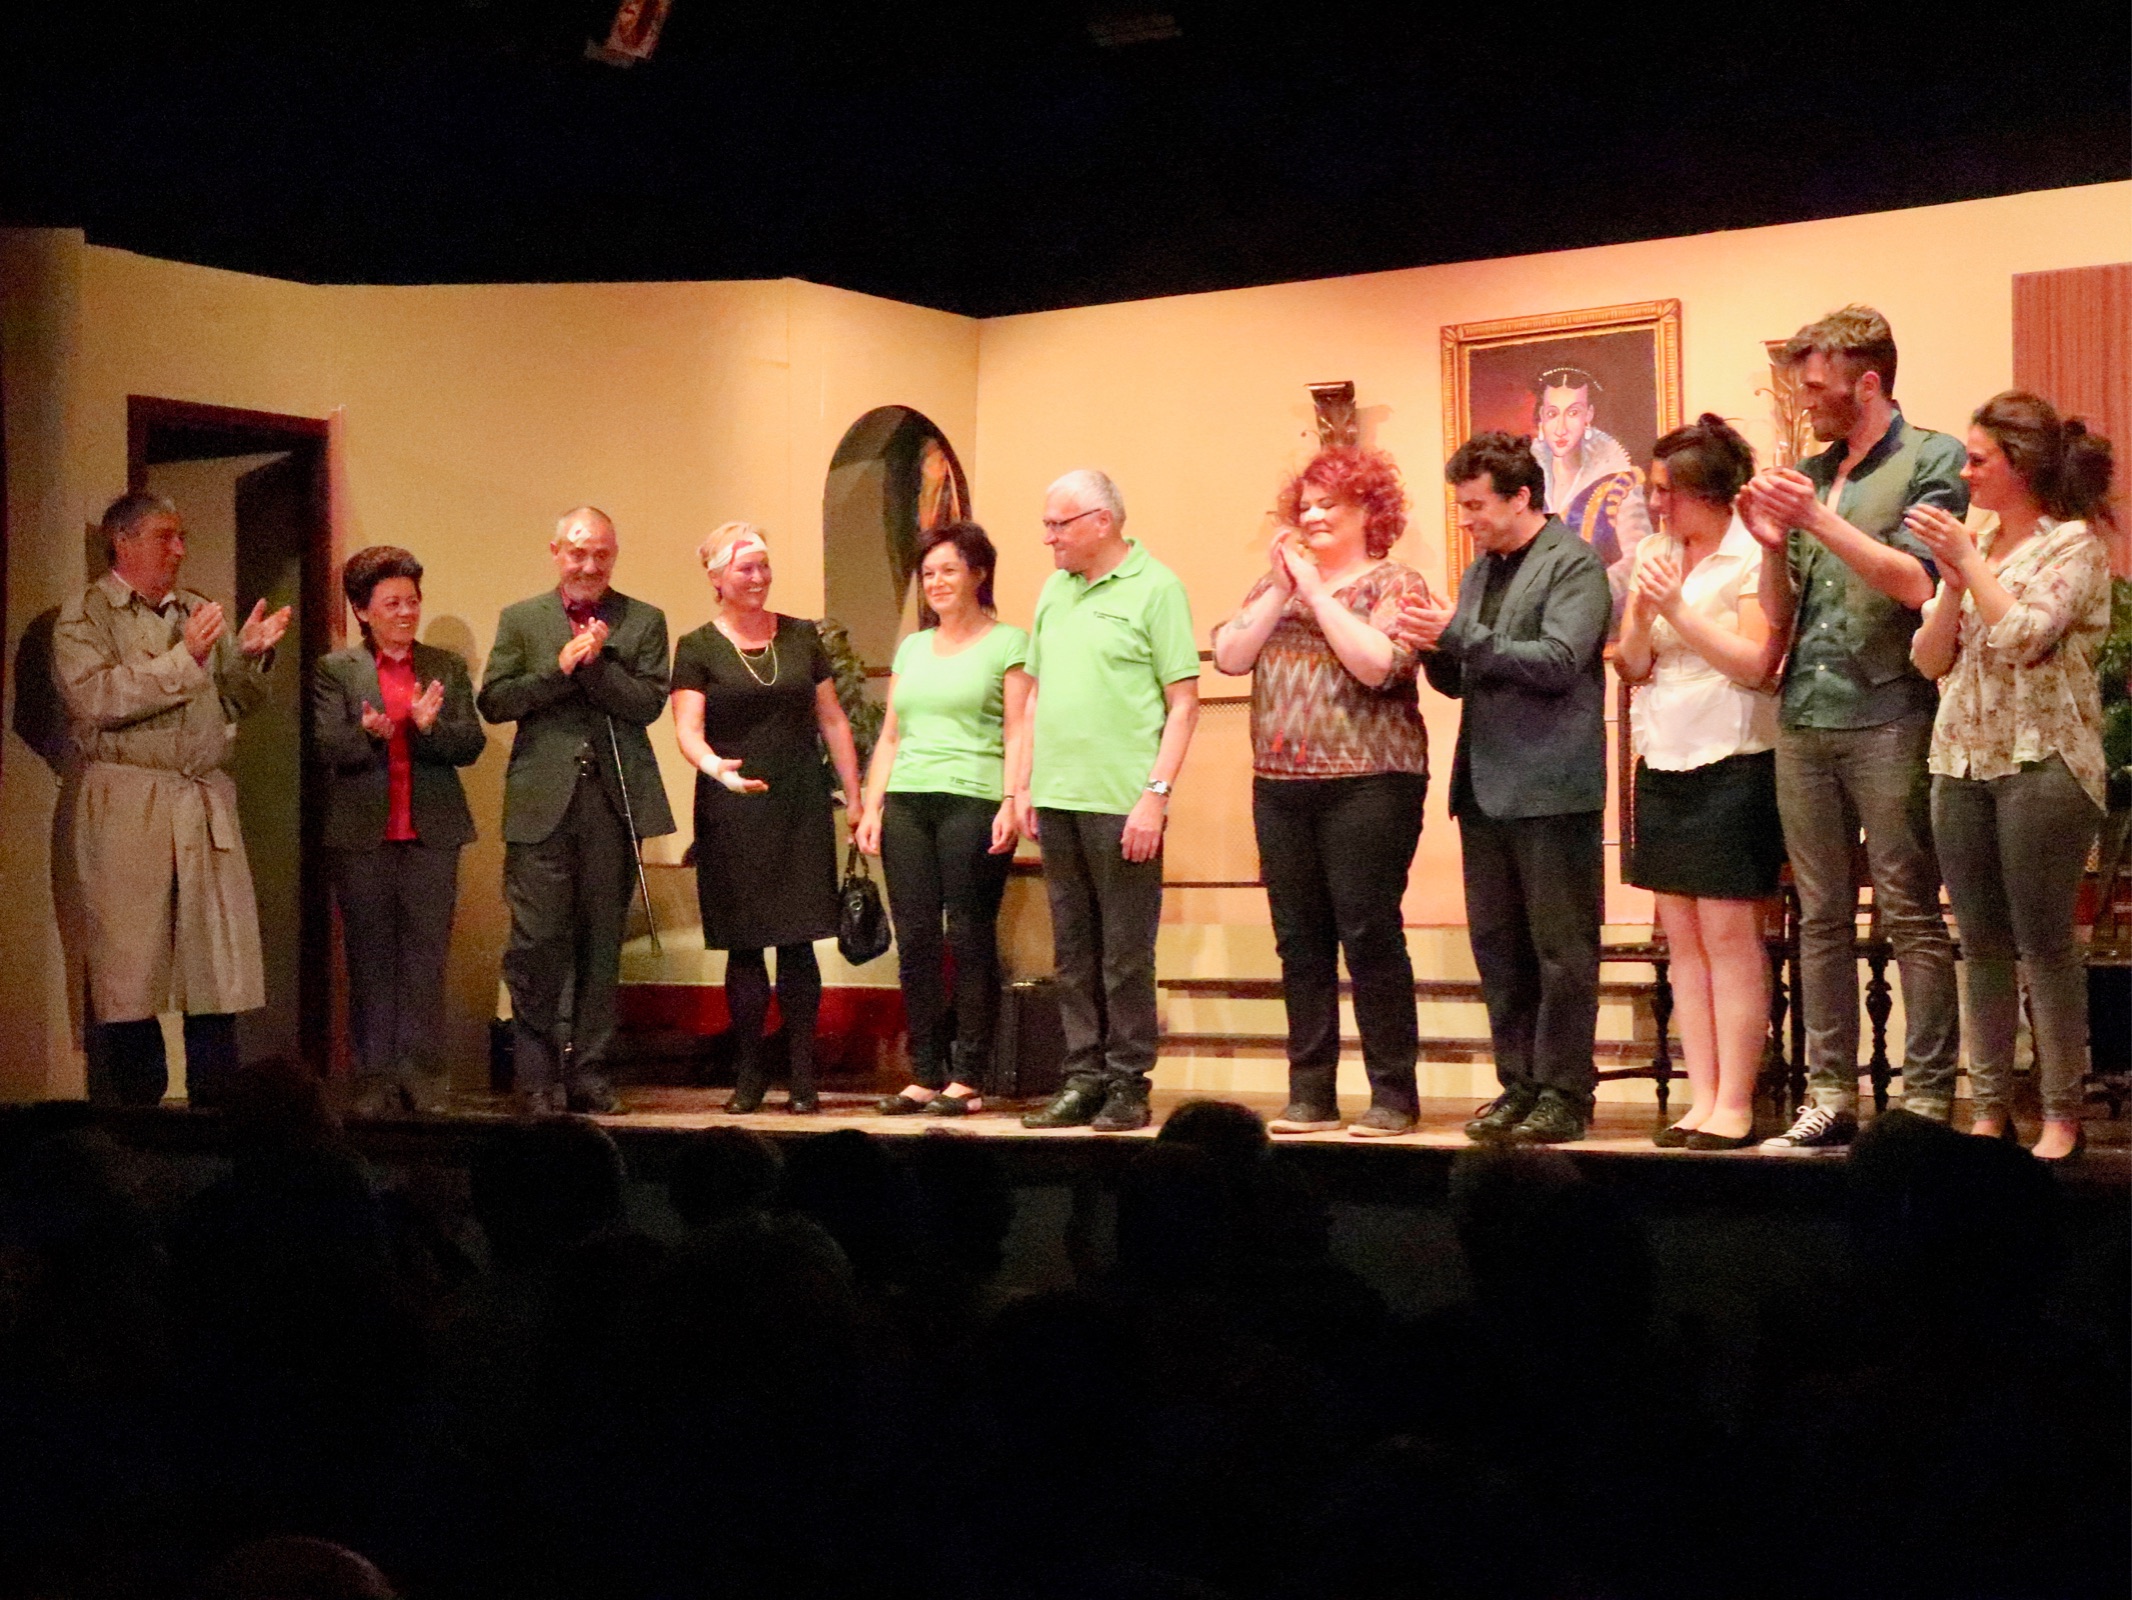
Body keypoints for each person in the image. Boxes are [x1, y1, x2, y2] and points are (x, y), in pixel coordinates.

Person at [1739, 307, 1966, 1147]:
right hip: (1807, 709)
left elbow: (1918, 582)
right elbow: (1779, 612)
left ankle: (1926, 1101)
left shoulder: (1931, 456)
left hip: (1891, 707)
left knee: (1909, 908)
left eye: (1819, 387)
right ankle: (1828, 1094)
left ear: (1868, 383)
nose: (1807, 402)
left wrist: (1815, 519)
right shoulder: (1811, 472)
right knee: (1820, 914)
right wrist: (1771, 543)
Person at [1907, 392, 2116, 1163]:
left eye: (1978, 459)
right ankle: (1990, 1112)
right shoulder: (1981, 544)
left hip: (2043, 762)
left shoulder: (2074, 546)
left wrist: (1968, 565)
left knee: (2045, 943)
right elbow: (1930, 658)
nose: (1965, 473)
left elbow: (2026, 635)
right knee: (1982, 944)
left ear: (2020, 465)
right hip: (1962, 759)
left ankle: (2061, 1115)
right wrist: (1956, 580)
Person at [1390, 433, 1611, 1144]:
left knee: (1561, 951)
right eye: (1460, 506)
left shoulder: (1574, 562)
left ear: (1521, 498)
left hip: (1552, 786)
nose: (1465, 519)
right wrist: (1432, 645)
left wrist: (1458, 634)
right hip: (1486, 786)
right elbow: (1463, 678)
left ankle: (1565, 1093)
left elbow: (1558, 661)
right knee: (1499, 948)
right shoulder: (1482, 571)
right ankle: (1517, 1085)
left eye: (1475, 505)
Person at [1211, 446, 1432, 1136]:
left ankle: (1393, 1096)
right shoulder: (1273, 587)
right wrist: (1282, 590)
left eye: (1327, 504)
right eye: (1304, 505)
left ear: (1369, 511)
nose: (1310, 516)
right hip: (1281, 785)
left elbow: (1378, 666)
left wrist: (1314, 593)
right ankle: (1310, 1093)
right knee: (1299, 942)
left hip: (1371, 782)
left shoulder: (1397, 583)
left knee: (1368, 933)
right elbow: (1230, 657)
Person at [53, 492, 291, 1107]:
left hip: (201, 801)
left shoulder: (195, 609)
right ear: (122, 541)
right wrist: (186, 658)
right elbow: (96, 697)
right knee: (130, 967)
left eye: (182, 536)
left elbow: (230, 701)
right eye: (165, 536)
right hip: (129, 805)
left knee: (213, 967)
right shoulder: (86, 615)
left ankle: (217, 1107)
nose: (180, 549)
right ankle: (136, 1118)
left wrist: (251, 657)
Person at [1615, 415, 1789, 1150]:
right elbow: (1632, 664)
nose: (1656, 505)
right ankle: (1703, 1096)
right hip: (1663, 758)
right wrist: (1642, 614)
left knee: (1729, 938)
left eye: (1669, 491)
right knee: (1681, 941)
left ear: (1712, 494)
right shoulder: (1656, 552)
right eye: (1653, 490)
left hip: (1734, 758)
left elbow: (1756, 663)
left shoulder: (1753, 553)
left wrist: (1678, 610)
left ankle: (1737, 1102)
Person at [1017, 470, 1200, 1133]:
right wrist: (1023, 784)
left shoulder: (1157, 588)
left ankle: (1128, 1083)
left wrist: (1155, 796)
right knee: (1072, 953)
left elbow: (1184, 704)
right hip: (1057, 797)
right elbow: (1034, 696)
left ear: (1101, 521)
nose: (1048, 538)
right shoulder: (1053, 591)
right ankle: (1082, 1078)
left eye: (1057, 525)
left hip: (1123, 802)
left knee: (1125, 955)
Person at [479, 507, 675, 1117]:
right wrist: (559, 669)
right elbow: (495, 700)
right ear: (556, 551)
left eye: (602, 555)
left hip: (612, 804)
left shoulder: (643, 620)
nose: (589, 565)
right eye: (578, 552)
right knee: (536, 942)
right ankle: (536, 1076)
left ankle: (589, 1071)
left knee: (600, 944)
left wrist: (598, 663)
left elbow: (646, 704)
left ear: (614, 556)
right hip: (541, 804)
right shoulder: (522, 618)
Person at [672, 522, 864, 1115]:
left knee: (799, 943)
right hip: (732, 806)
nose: (758, 577)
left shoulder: (803, 636)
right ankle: (749, 1074)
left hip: (799, 803)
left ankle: (803, 1077)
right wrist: (715, 767)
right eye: (745, 568)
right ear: (717, 579)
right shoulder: (697, 647)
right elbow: (687, 729)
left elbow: (832, 719)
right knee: (746, 945)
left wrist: (855, 797)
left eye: (763, 566)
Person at [855, 521, 1031, 1117]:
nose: (936, 582)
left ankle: (969, 1075)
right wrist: (872, 806)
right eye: (928, 573)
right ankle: (926, 1072)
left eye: (948, 570)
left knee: (970, 934)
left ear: (978, 573)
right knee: (916, 939)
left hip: (974, 798)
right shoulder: (912, 648)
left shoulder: (1009, 643)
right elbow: (891, 735)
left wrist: (1011, 799)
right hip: (908, 800)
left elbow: (1018, 729)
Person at [312, 545, 485, 1117]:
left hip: (431, 834)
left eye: (413, 601)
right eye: (392, 603)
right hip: (362, 835)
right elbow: (327, 746)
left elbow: (470, 744)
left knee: (425, 962)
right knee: (369, 962)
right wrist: (368, 735)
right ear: (363, 610)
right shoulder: (337, 669)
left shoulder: (445, 666)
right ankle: (373, 1082)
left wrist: (429, 729)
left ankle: (424, 1082)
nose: (407, 612)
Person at [1531, 365, 1652, 578]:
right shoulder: (1527, 483)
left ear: (1588, 415)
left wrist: (1587, 591)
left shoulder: (1618, 484)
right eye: (1552, 414)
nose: (1561, 428)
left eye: (1573, 413)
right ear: (1542, 416)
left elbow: (1638, 559)